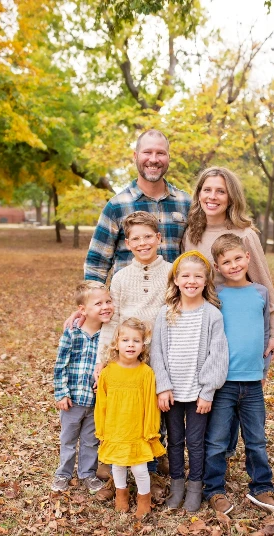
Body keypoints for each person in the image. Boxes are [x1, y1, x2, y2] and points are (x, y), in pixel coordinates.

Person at [183, 166, 274, 465]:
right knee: (207, 390)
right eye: (207, 189)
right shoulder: (191, 233)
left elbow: (263, 281)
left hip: (237, 328)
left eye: (220, 191)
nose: (213, 196)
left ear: (231, 197)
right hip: (200, 324)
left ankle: (224, 452)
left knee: (233, 389)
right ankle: (211, 453)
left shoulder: (244, 234)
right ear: (199, 193)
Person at [93, 210, 172, 503]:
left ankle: (150, 469)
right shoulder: (122, 277)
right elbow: (111, 321)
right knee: (121, 412)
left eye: (147, 237)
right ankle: (117, 470)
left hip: (158, 353)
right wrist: (103, 359)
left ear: (158, 238)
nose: (142, 243)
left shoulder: (172, 272)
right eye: (135, 238)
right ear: (127, 243)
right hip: (125, 355)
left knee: (151, 412)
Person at [203, 234, 274, 515]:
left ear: (247, 257)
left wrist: (263, 371)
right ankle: (214, 490)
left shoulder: (261, 293)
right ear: (217, 266)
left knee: (256, 439)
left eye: (238, 258)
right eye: (226, 261)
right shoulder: (215, 296)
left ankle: (262, 487)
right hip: (223, 382)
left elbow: (264, 334)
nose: (234, 265)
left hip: (252, 383)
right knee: (217, 440)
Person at [150, 251, 229, 513]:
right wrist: (162, 386)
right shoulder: (165, 313)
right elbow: (156, 353)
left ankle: (195, 486)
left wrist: (207, 391)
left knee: (195, 442)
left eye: (198, 276)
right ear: (175, 280)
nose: (191, 281)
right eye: (185, 275)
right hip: (170, 393)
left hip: (197, 394)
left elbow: (217, 356)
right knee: (174, 441)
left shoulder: (212, 315)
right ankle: (177, 486)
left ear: (206, 281)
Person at [84, 129, 191, 283]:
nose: (153, 159)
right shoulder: (116, 206)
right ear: (135, 156)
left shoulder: (186, 203)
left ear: (168, 157)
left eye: (160, 153)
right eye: (147, 152)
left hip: (174, 302)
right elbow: (96, 264)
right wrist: (93, 302)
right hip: (129, 302)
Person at [94, 318, 166, 518]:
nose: (130, 345)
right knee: (117, 466)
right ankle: (121, 495)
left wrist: (151, 430)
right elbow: (101, 404)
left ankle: (144, 498)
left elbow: (152, 406)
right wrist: (102, 429)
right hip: (115, 429)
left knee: (140, 469)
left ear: (143, 346)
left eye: (136, 341)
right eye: (125, 340)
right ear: (116, 343)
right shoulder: (108, 373)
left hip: (137, 431)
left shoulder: (146, 373)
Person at [51, 282, 114, 493]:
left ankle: (87, 474)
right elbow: (60, 365)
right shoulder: (72, 333)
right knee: (68, 439)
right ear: (83, 310)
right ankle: (63, 474)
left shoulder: (110, 335)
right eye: (98, 303)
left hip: (96, 402)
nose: (105, 306)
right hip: (73, 400)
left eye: (108, 301)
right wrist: (61, 393)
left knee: (91, 441)